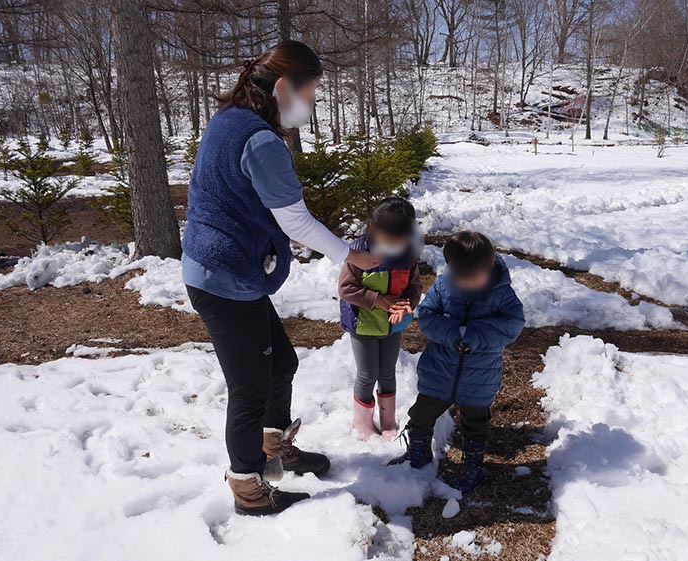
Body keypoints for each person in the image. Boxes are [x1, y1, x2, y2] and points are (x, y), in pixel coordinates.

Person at [182, 41, 380, 516]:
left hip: (224, 267)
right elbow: (295, 221)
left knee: (281, 365)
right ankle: (248, 487)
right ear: (282, 88)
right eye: (310, 93)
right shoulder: (261, 140)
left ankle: (271, 450)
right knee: (250, 388)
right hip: (222, 277)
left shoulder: (230, 118)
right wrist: (350, 257)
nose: (310, 104)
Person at [389, 231, 524, 493]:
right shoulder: (443, 286)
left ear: (491, 264)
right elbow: (427, 316)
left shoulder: (502, 294)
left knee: (475, 422)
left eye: (474, 278)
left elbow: (512, 325)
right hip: (440, 370)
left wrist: (474, 335)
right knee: (421, 413)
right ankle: (418, 453)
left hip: (479, 376)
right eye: (461, 278)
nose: (467, 284)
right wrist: (452, 334)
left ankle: (474, 467)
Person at [339, 197, 424, 440]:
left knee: (387, 371)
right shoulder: (358, 253)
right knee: (367, 374)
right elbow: (346, 289)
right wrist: (379, 300)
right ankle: (362, 421)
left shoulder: (408, 255)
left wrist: (407, 304)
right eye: (389, 241)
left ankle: (387, 420)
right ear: (374, 230)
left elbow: (414, 286)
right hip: (363, 324)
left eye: (400, 242)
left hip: (392, 325)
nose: (394, 247)